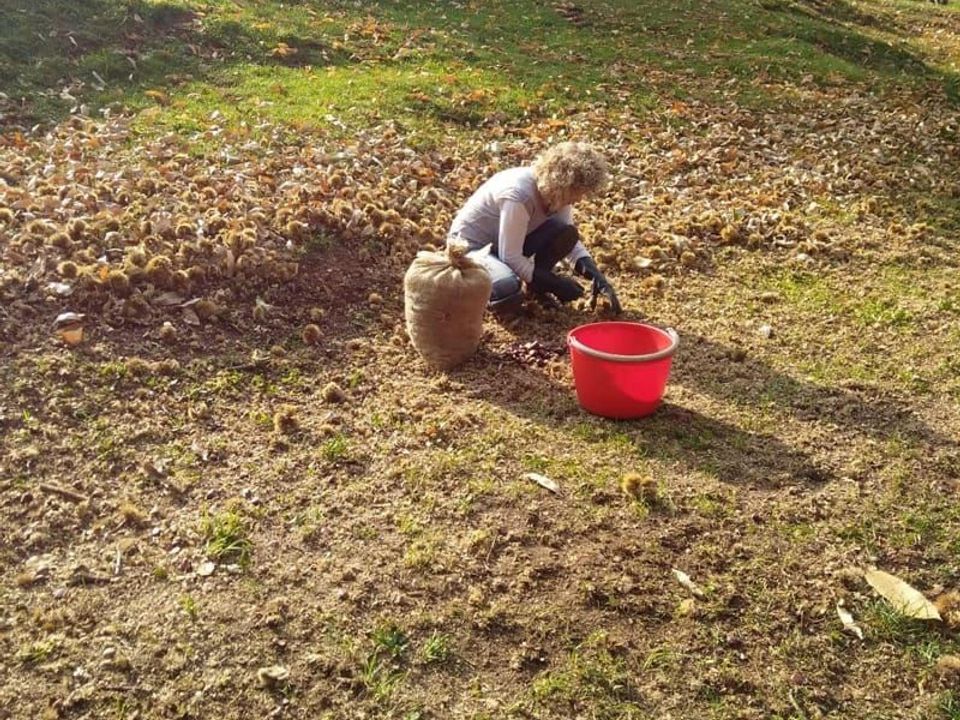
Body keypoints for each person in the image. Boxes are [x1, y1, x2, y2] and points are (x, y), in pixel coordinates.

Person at [447, 141, 622, 316]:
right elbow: (511, 256)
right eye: (578, 192)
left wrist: (597, 277)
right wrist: (554, 283)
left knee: (565, 233)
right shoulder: (519, 195)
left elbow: (566, 235)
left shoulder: (557, 195)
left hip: (504, 244)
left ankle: (535, 284)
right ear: (564, 183)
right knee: (507, 289)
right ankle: (495, 284)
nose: (579, 199)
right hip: (471, 248)